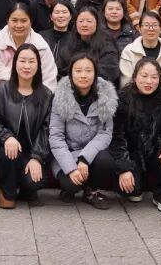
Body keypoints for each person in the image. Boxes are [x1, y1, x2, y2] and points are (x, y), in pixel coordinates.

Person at [111, 58, 161, 211]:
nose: (149, 81)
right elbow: (117, 136)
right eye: (144, 76)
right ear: (134, 77)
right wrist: (124, 167)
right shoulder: (122, 100)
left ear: (160, 78)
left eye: (154, 77)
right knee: (131, 190)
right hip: (134, 154)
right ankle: (137, 185)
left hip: (159, 154)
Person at [49, 52, 118, 209]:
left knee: (106, 162)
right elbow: (56, 137)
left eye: (88, 70)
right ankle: (69, 188)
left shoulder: (105, 96)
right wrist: (71, 168)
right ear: (71, 73)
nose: (83, 75)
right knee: (71, 184)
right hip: (68, 152)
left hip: (92, 153)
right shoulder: (60, 97)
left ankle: (91, 191)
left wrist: (84, 159)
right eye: (78, 70)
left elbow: (105, 133)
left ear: (95, 73)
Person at [0, 44, 52, 208]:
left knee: (34, 181)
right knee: (9, 154)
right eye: (22, 61)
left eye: (32, 61)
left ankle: (27, 189)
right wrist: (7, 137)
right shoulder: (0, 91)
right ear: (14, 63)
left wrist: (36, 157)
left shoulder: (46, 95)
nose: (26, 66)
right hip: (6, 149)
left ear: (38, 65)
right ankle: (7, 192)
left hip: (31, 151)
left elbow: (46, 130)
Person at [0, 3, 58, 90]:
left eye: (24, 21)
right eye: (14, 20)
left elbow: (49, 78)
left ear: (31, 22)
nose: (19, 25)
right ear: (7, 21)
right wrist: (24, 79)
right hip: (6, 91)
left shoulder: (41, 46)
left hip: (35, 91)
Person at [120, 10, 161, 93]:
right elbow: (126, 83)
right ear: (139, 28)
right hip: (134, 97)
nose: (151, 29)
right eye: (146, 25)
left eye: (155, 25)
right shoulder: (129, 51)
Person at [56, 7, 119, 83]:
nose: (84, 25)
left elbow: (108, 74)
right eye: (81, 21)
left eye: (89, 21)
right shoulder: (68, 48)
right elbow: (59, 74)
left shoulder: (107, 47)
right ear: (76, 23)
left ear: (97, 23)